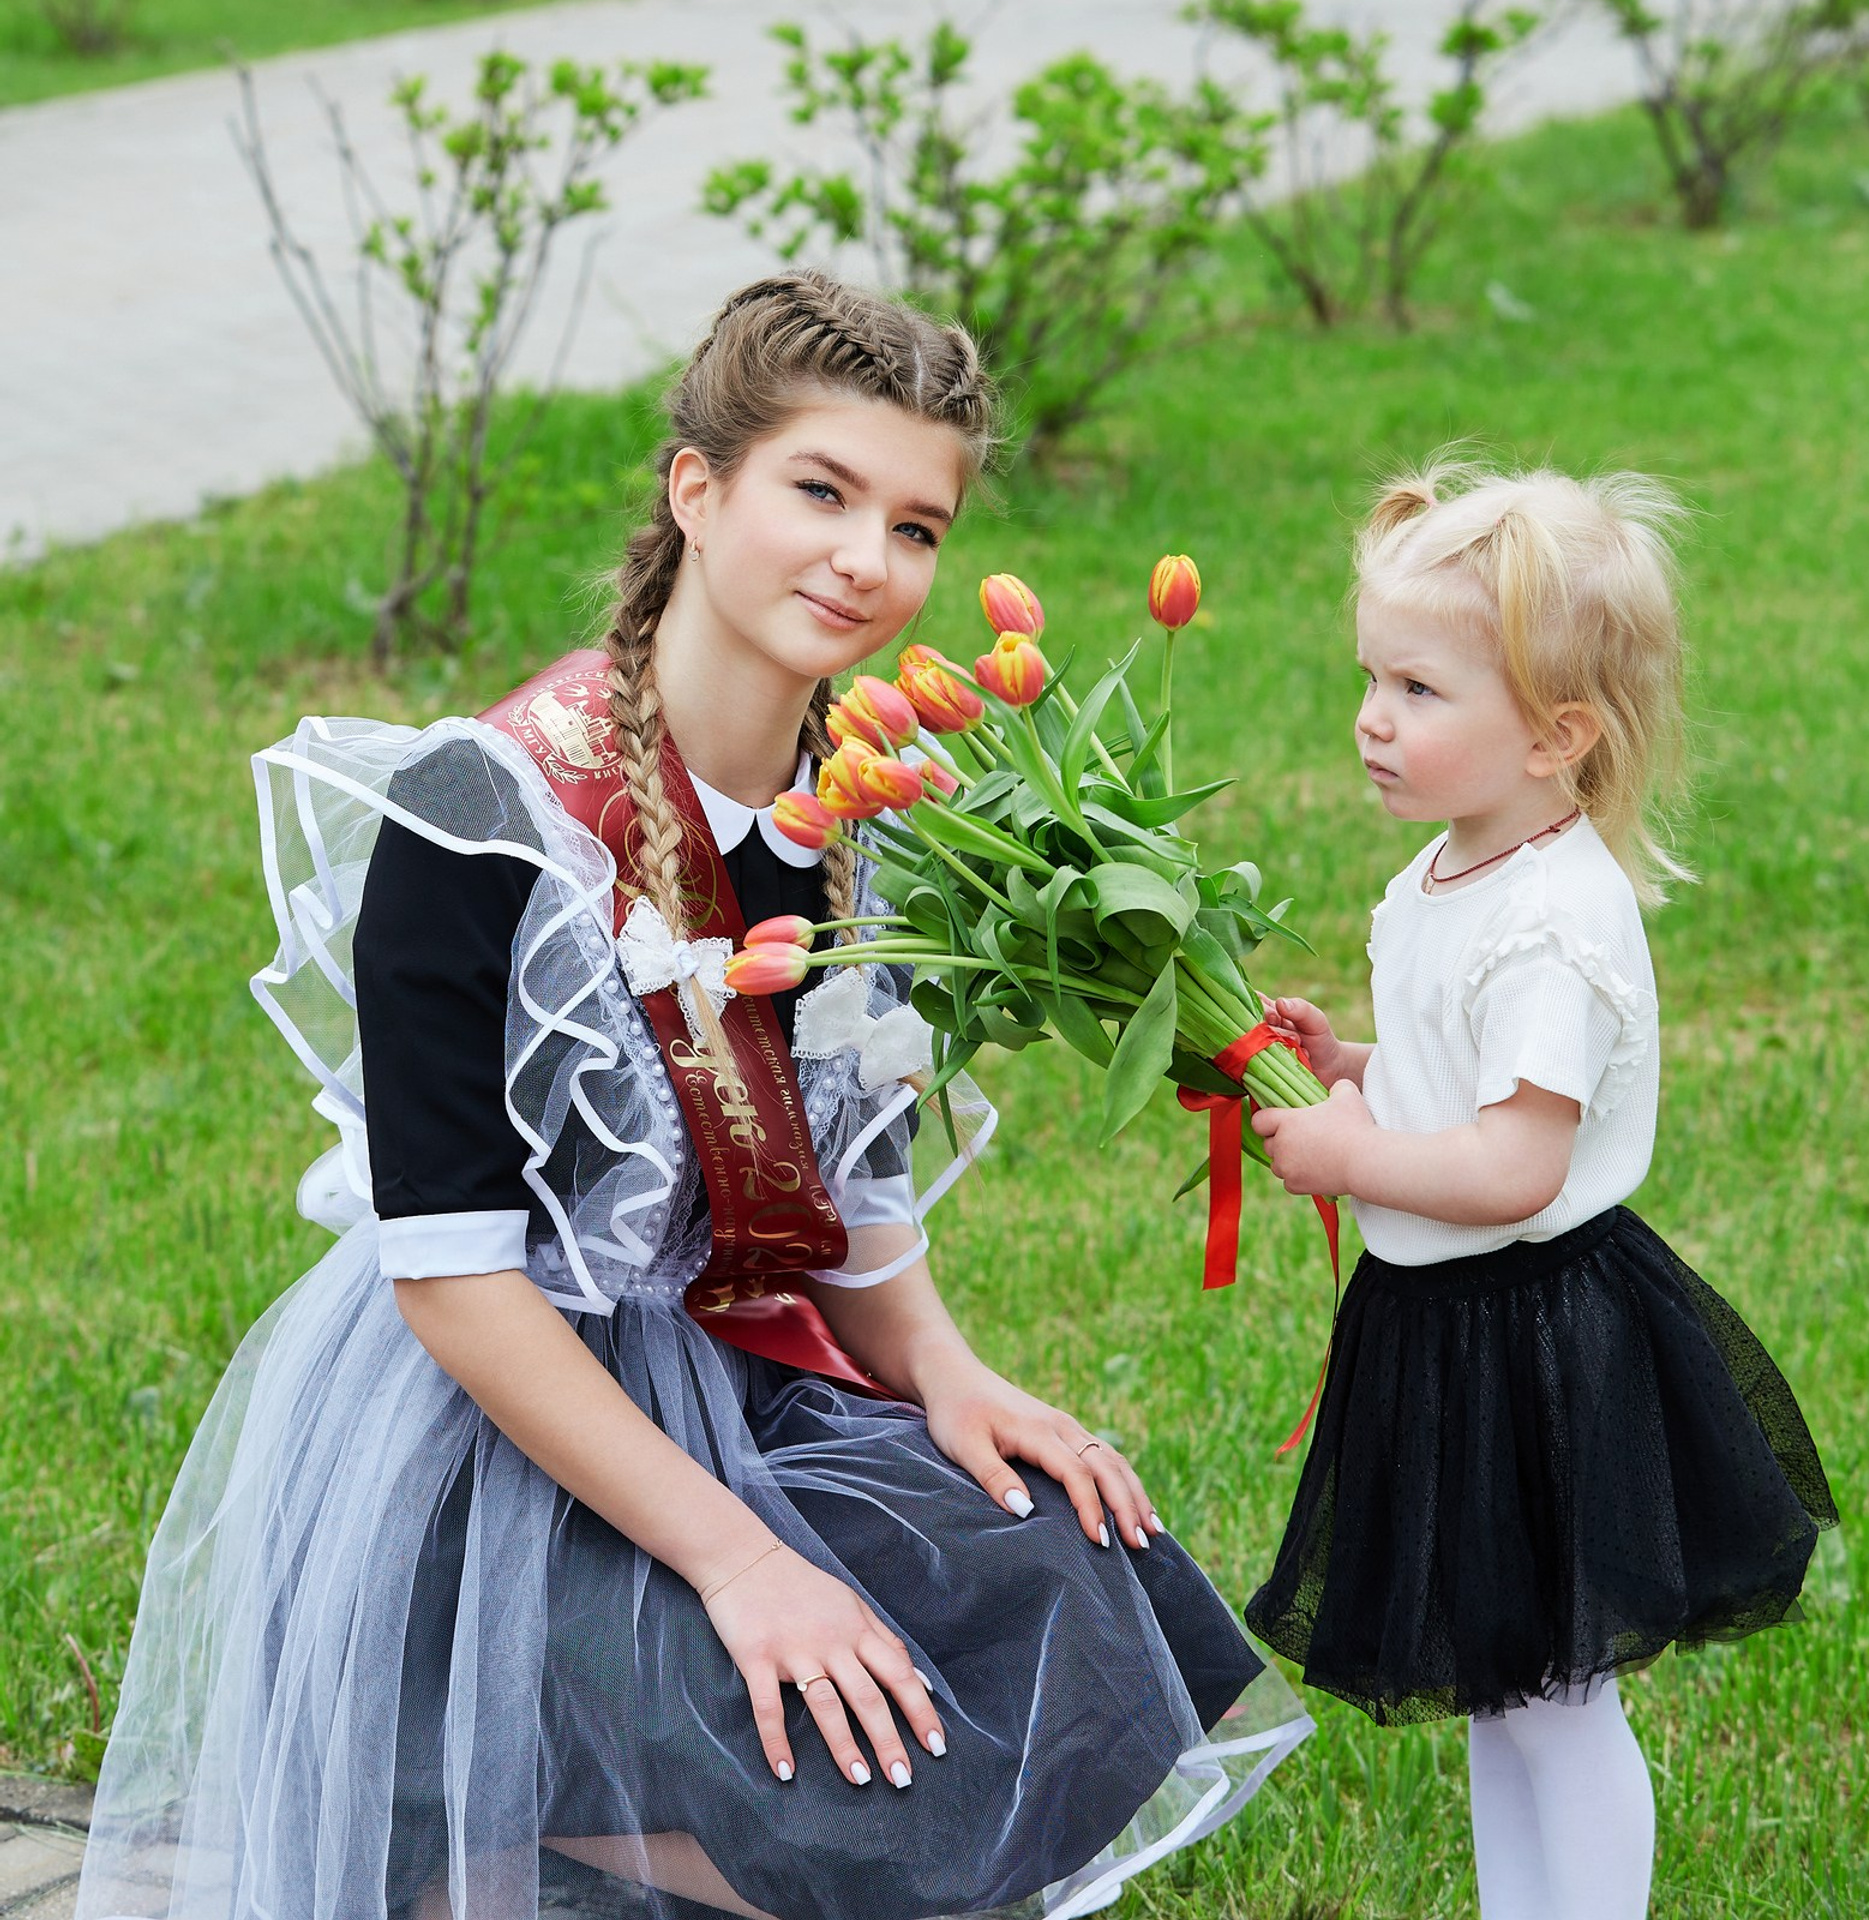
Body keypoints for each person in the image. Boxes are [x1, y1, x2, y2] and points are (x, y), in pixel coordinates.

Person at [76, 273, 1308, 1920]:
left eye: (917, 525)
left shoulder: (869, 817)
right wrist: (740, 1558)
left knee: (1080, 1578)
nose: (867, 558)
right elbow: (450, 1278)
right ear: (696, 487)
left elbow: (846, 1177)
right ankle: (463, 1835)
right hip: (493, 1438)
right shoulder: (485, 812)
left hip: (745, 1371)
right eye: (822, 490)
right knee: (830, 1747)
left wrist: (947, 1370)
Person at [1249, 457, 1836, 1920]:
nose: (1374, 719)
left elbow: (1516, 1164)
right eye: (1372, 677)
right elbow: (1469, 1083)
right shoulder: (1456, 870)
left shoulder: (1557, 922)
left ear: (1557, 737)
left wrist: (1349, 1153)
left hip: (1534, 1339)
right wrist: (1363, 1063)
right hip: (1449, 1329)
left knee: (1559, 1698)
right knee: (1504, 1689)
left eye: (1423, 691)